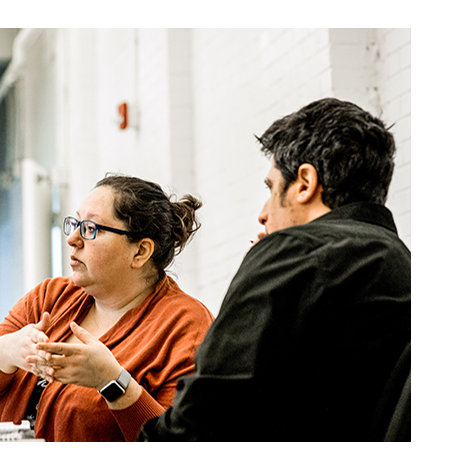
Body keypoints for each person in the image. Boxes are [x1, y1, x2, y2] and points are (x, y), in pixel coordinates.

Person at [136, 97, 411, 441]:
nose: (263, 213)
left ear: (305, 183)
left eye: (271, 188)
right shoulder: (403, 264)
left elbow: (202, 422)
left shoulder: (297, 252)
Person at [0, 175, 214, 441]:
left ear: (140, 252)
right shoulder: (51, 297)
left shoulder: (185, 326)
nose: (73, 239)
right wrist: (6, 351)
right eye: (75, 224)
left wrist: (113, 382)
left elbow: (179, 448)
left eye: (90, 228)